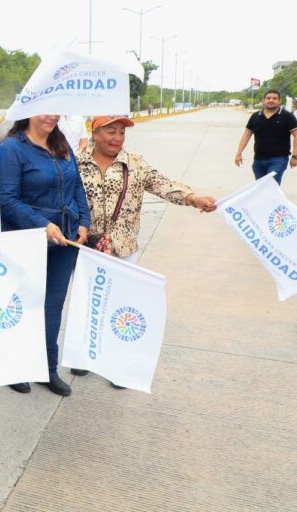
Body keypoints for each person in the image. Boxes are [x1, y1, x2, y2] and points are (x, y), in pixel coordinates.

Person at [74, 116, 216, 380]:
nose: (117, 138)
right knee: (87, 302)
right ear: (95, 133)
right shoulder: (75, 162)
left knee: (120, 305)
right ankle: (85, 354)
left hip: (122, 246)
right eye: (111, 131)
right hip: (84, 246)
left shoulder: (135, 164)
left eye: (121, 133)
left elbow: (163, 184)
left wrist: (193, 198)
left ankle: (118, 364)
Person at [0, 114, 90, 397]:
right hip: (26, 240)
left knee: (52, 307)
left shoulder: (62, 144)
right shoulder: (11, 149)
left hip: (64, 241)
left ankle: (47, 368)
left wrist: (83, 221)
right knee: (22, 306)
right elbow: (6, 199)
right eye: (44, 109)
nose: (51, 116)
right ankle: (15, 367)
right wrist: (42, 225)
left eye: (55, 109)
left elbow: (77, 186)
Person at [235, 89, 297, 185]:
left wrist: (295, 156)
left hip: (278, 159)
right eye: (268, 98)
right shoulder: (255, 116)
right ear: (263, 100)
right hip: (258, 160)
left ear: (279, 101)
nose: (271, 100)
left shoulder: (287, 116)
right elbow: (246, 135)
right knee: (261, 187)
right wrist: (238, 153)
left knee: (271, 185)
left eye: (274, 98)